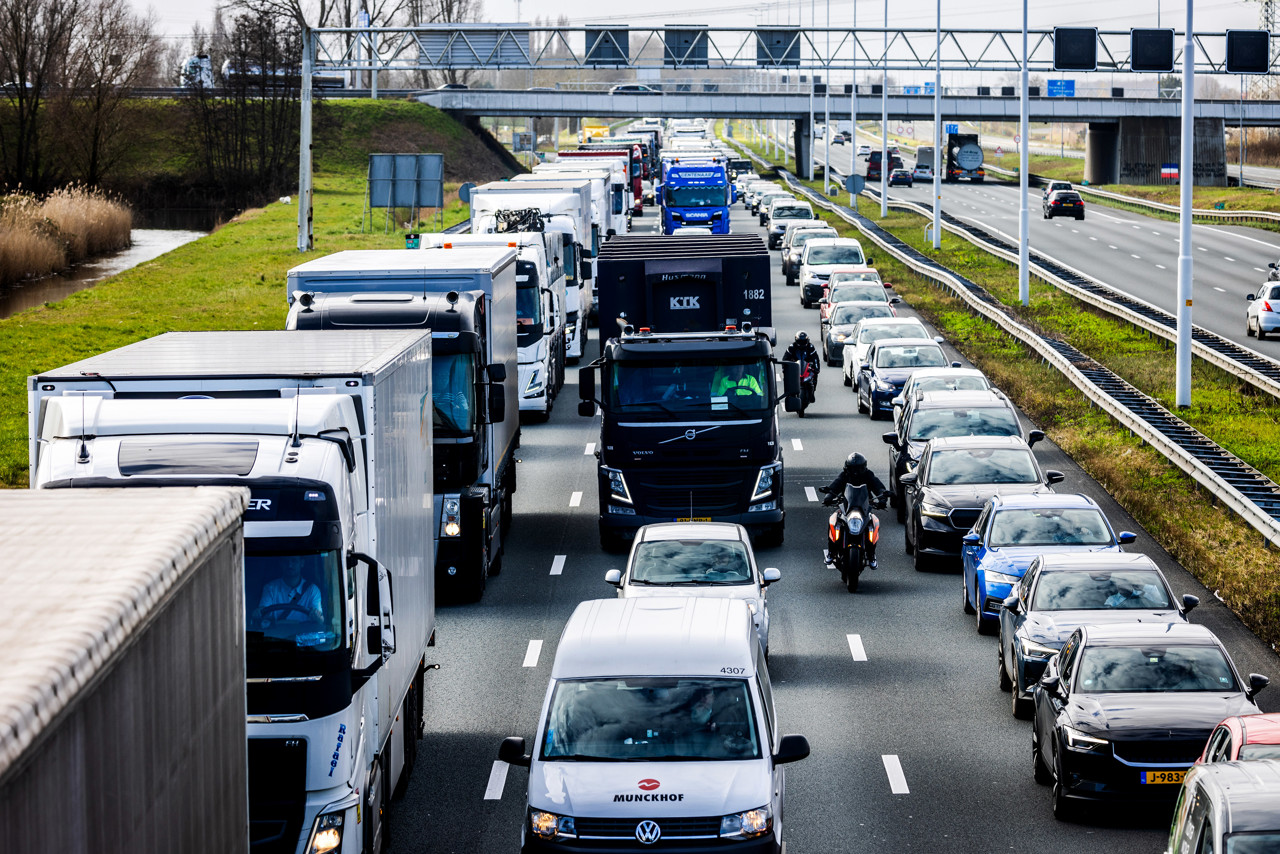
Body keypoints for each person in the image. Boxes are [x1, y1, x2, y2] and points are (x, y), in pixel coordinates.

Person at [821, 453, 889, 569]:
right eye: (853, 469)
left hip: (864, 508)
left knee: (873, 523)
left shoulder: (868, 475)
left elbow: (878, 486)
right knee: (833, 520)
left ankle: (871, 554)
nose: (856, 472)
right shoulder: (844, 475)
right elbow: (836, 485)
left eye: (858, 468)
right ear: (847, 467)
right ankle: (831, 552)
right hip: (846, 507)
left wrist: (882, 498)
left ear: (864, 467)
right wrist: (828, 497)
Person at [256, 555, 323, 623]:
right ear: (281, 564)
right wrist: (258, 613)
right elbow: (263, 612)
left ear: (302, 563)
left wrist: (318, 618)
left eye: (294, 561)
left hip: (303, 632)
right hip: (276, 632)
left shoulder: (312, 590)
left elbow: (318, 617)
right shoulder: (270, 588)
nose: (290, 565)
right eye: (286, 561)